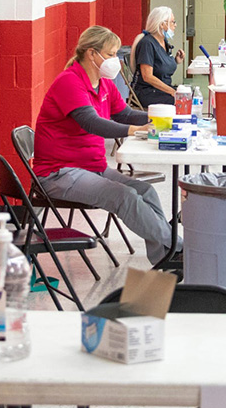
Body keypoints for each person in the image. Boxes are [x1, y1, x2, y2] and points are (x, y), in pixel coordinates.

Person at [32, 26, 176, 265]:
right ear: (91, 53)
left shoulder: (104, 83)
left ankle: (164, 256)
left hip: (91, 167)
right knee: (126, 196)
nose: (115, 60)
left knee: (145, 192)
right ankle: (178, 248)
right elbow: (91, 123)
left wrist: (161, 117)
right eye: (110, 54)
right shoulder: (69, 81)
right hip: (59, 173)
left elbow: (125, 114)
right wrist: (135, 131)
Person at [131, 6, 181, 108]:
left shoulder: (164, 42)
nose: (175, 25)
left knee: (189, 93)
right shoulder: (147, 44)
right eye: (172, 22)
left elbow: (161, 67)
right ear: (162, 24)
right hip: (147, 92)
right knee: (181, 100)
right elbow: (147, 77)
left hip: (161, 89)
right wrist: (172, 91)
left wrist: (176, 61)